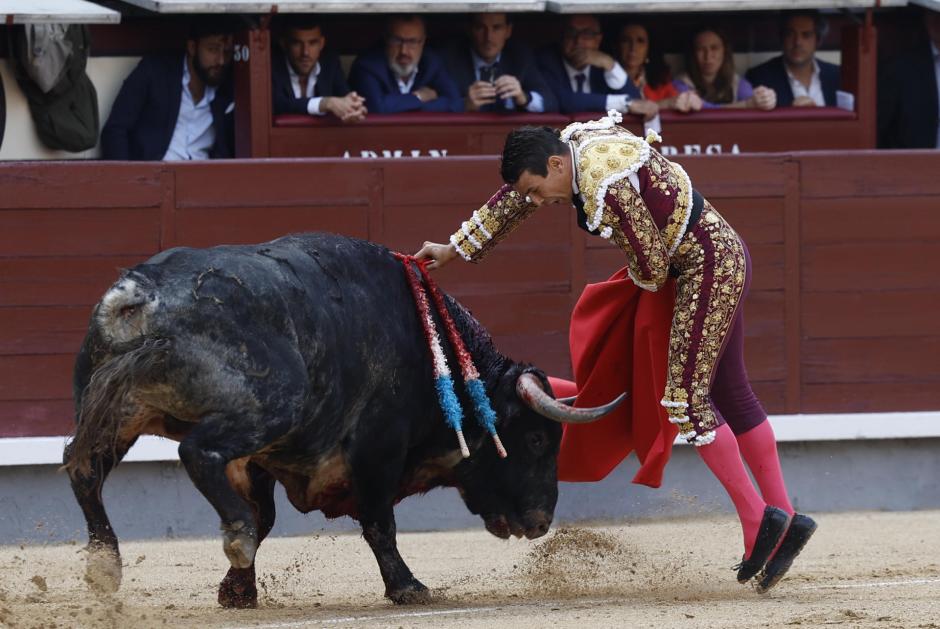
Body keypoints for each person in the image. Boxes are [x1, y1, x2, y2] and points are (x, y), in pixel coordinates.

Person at [415, 112, 816, 592]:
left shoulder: (607, 183)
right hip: (721, 254)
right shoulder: (573, 146)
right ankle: (787, 520)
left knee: (687, 401)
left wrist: (634, 306)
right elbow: (515, 201)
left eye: (537, 188)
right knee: (731, 392)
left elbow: (650, 262)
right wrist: (454, 248)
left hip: (701, 272)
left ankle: (758, 526)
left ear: (557, 165)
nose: (536, 201)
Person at [101, 18, 235, 161]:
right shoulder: (154, 73)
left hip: (204, 179)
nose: (221, 60)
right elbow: (115, 130)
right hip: (152, 177)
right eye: (212, 49)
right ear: (192, 47)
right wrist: (127, 179)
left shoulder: (229, 90)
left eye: (226, 52)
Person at [538, 14, 656, 121]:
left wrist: (611, 65)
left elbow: (636, 100)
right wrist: (624, 103)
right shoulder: (546, 60)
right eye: (571, 33)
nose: (578, 41)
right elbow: (564, 101)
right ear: (562, 37)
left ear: (598, 40)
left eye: (587, 34)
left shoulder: (602, 65)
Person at [443, 12, 557, 113]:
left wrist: (524, 98)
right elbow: (434, 104)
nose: (488, 37)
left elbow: (551, 103)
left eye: (496, 28)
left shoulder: (520, 56)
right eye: (480, 28)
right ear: (469, 30)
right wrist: (463, 105)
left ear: (508, 31)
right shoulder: (449, 57)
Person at [348, 14, 462, 113]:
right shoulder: (367, 66)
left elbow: (455, 103)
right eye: (396, 40)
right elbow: (377, 108)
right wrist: (419, 97)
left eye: (412, 42)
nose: (404, 51)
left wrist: (400, 106)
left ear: (423, 42)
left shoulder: (432, 62)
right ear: (386, 39)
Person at [271, 16, 366, 122]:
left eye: (312, 43)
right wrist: (324, 103)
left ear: (321, 44)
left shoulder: (329, 62)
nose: (305, 53)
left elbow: (343, 95)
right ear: (284, 44)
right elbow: (277, 105)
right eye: (297, 43)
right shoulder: (271, 65)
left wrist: (354, 106)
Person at [746, 11, 840, 108]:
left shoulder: (837, 75)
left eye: (806, 35)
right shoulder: (760, 77)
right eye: (790, 34)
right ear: (781, 38)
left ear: (818, 40)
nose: (797, 42)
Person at [877, 8, 940, 149]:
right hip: (917, 166)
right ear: (926, 19)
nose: (938, 21)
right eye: (934, 14)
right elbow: (881, 130)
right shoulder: (900, 69)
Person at [675, 27, 776, 110]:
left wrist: (765, 99)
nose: (708, 55)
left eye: (714, 48)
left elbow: (753, 102)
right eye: (701, 49)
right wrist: (745, 105)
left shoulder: (738, 83)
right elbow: (707, 111)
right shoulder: (681, 83)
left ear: (724, 51)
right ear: (693, 54)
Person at [617, 22, 701, 113]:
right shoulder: (604, 78)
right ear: (616, 46)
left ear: (648, 48)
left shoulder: (661, 80)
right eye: (626, 40)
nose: (633, 47)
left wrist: (689, 100)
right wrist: (663, 104)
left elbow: (677, 102)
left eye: (640, 41)